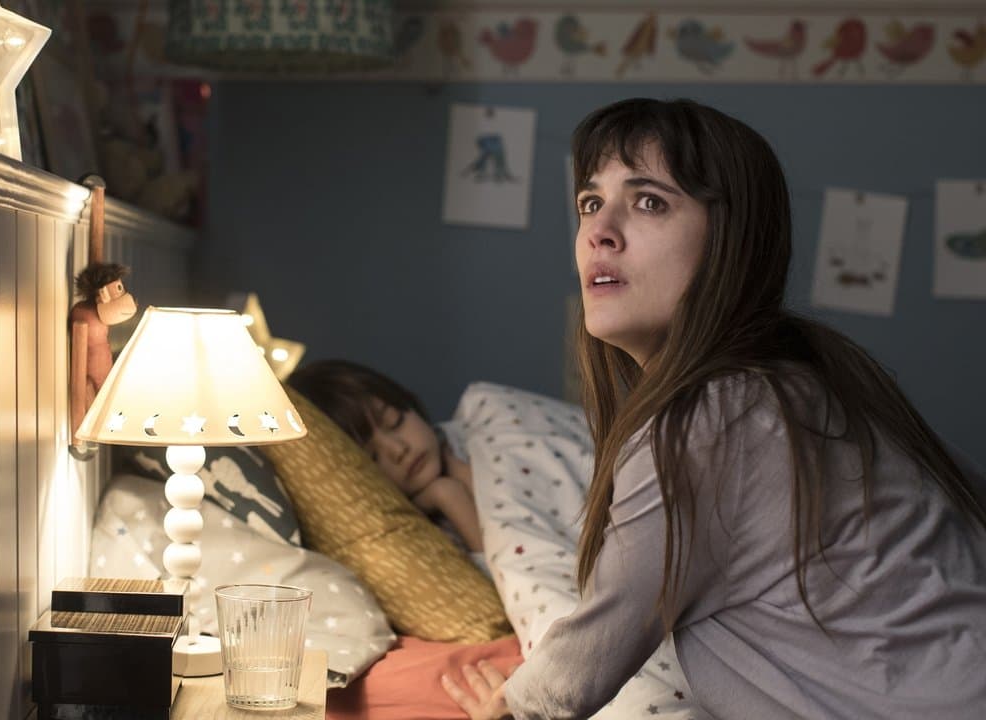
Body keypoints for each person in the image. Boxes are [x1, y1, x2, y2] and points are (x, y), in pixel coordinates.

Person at [440, 98, 986, 719]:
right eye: (590, 203)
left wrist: (506, 708)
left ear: (730, 241)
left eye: (649, 202)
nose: (598, 231)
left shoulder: (703, 421)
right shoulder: (815, 376)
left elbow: (587, 657)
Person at [286, 359, 483, 553]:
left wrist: (459, 470)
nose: (399, 450)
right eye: (373, 457)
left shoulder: (480, 422)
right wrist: (449, 496)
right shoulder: (413, 538)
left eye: (394, 421)